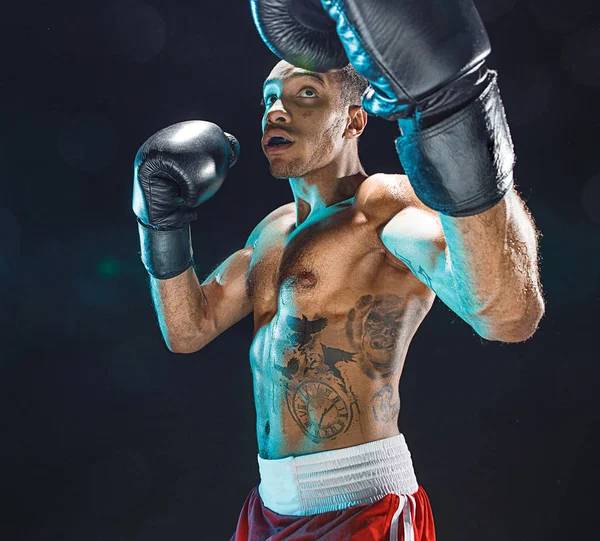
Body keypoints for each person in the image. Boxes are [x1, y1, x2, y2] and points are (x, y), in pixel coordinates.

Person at [132, 2, 545, 539]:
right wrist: (161, 225)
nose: (276, 110)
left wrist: (457, 113)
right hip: (268, 508)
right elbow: (187, 330)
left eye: (306, 94)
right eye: (269, 99)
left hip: (363, 505)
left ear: (353, 119)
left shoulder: (382, 206)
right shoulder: (271, 231)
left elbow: (507, 315)